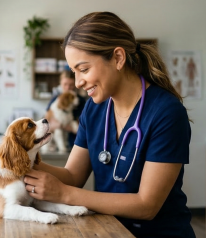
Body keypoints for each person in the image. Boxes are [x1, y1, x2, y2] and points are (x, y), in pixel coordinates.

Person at [24, 12, 195, 237]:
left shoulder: (166, 112)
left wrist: (64, 194)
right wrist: (21, 159)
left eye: (83, 69)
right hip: (110, 231)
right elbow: (73, 175)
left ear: (117, 58)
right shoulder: (94, 109)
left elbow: (147, 206)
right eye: (74, 72)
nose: (77, 83)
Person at [46, 70, 86, 151]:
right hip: (55, 144)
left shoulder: (80, 101)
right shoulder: (55, 99)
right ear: (60, 83)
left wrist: (61, 125)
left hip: (75, 145)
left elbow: (82, 129)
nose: (68, 88)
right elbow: (47, 124)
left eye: (71, 85)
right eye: (65, 84)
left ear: (75, 84)